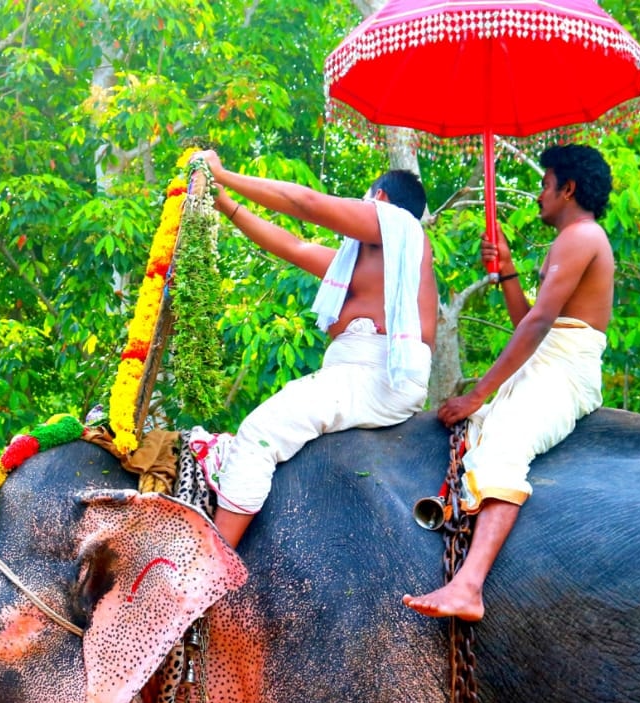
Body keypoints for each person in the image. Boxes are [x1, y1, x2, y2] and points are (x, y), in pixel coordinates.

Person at [403, 144, 614, 621]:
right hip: (548, 363)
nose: (539, 195)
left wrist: (479, 393)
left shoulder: (581, 237)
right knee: (472, 434)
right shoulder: (574, 239)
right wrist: (508, 271)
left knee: (500, 451)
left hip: (564, 374)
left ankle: (469, 587)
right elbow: (531, 324)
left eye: (544, 184)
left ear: (568, 188)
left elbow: (538, 326)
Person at [190, 150, 438, 548]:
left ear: (382, 200)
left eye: (364, 198)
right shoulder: (363, 261)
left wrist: (225, 174)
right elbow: (294, 246)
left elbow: (308, 204)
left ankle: (208, 568)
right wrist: (225, 203)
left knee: (257, 434)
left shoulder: (397, 224)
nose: (356, 209)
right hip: (358, 376)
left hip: (377, 376)